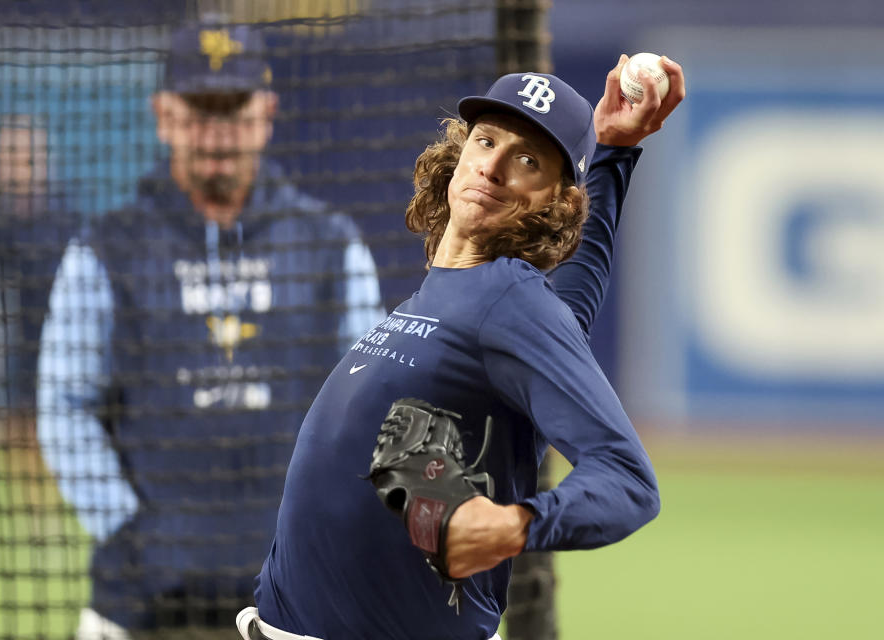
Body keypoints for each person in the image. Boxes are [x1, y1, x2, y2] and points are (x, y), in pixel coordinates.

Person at [239, 55, 685, 639]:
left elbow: (627, 480)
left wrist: (514, 526)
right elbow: (572, 304)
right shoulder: (464, 299)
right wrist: (613, 153)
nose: (494, 167)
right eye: (486, 140)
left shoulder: (507, 297)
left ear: (555, 202)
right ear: (458, 155)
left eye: (527, 160)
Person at [35, 23, 384, 638]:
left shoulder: (331, 246)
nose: (217, 133)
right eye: (198, 112)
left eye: (234, 110)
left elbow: (369, 407)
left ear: (267, 114)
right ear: (163, 116)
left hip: (294, 595)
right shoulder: (105, 251)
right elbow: (64, 405)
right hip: (139, 596)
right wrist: (127, 529)